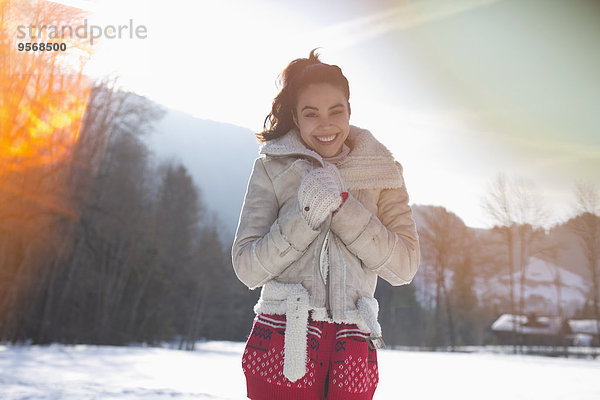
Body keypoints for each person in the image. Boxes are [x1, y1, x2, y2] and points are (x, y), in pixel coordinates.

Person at [232, 49, 420, 400]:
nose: (326, 124)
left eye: (336, 111)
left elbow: (404, 266)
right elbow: (247, 267)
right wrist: (306, 216)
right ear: (296, 117)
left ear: (349, 110)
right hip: (281, 343)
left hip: (353, 350)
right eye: (311, 113)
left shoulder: (383, 173)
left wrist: (346, 211)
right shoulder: (272, 168)